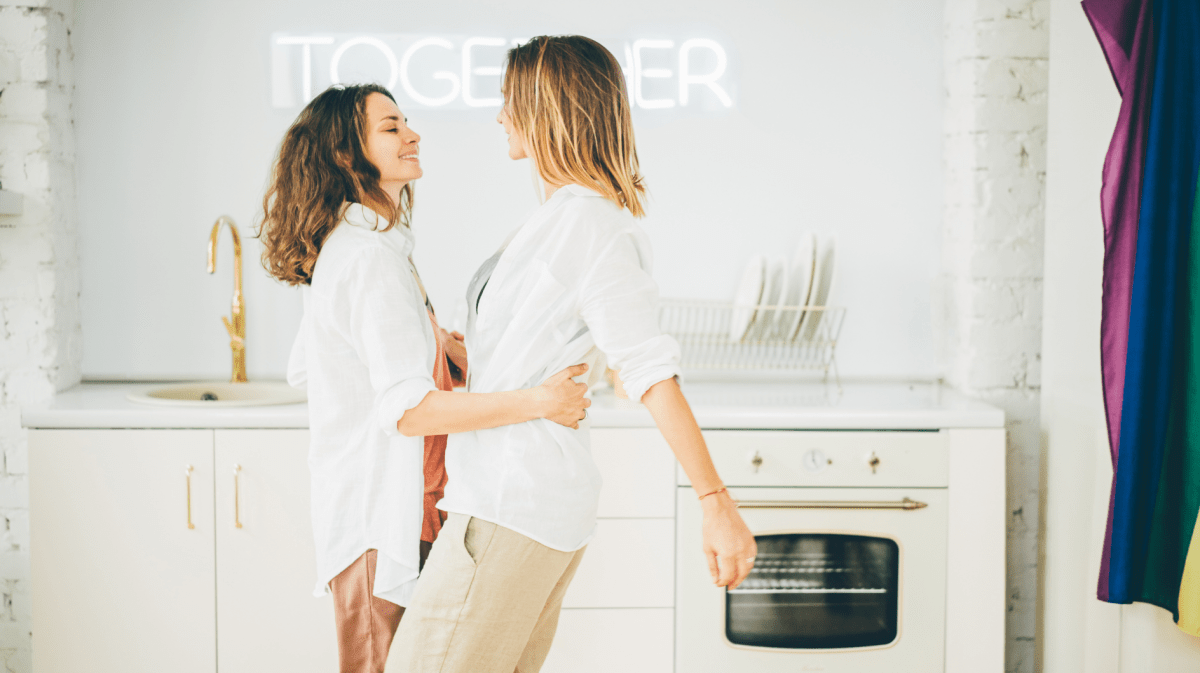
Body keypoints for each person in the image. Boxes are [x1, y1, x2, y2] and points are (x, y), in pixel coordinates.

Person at [385, 36, 757, 673]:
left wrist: (715, 501)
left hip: (511, 503)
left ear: (545, 109)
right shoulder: (562, 219)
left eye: (509, 102)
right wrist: (470, 355)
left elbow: (646, 369)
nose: (500, 116)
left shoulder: (594, 227)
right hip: (514, 501)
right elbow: (536, 343)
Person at [257, 83, 591, 673]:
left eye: (405, 121)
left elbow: (323, 358)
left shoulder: (374, 247)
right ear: (344, 153)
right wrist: (541, 400)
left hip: (406, 516)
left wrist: (438, 348)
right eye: (390, 127)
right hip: (378, 525)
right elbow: (407, 411)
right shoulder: (366, 257)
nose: (412, 133)